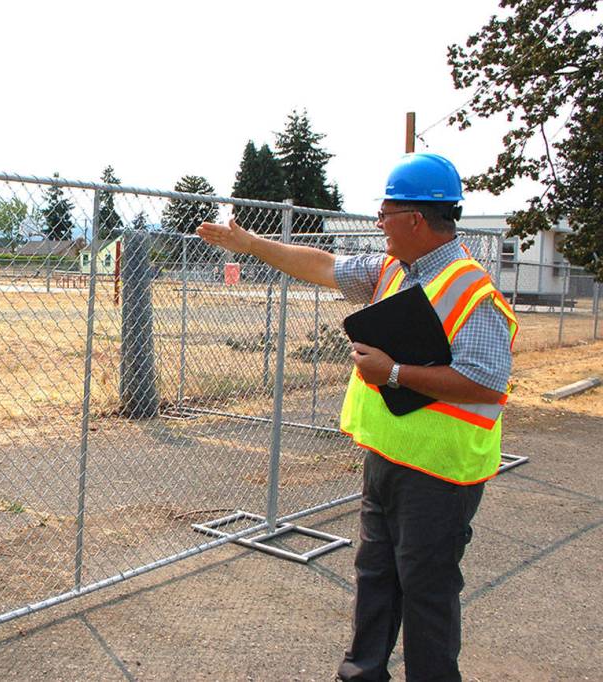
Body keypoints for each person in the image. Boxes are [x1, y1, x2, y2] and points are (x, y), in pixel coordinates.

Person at [196, 153, 518, 682]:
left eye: (385, 213)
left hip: (441, 473)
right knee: (375, 578)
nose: (378, 222)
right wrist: (251, 244)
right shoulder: (394, 269)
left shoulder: (469, 289)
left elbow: (486, 381)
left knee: (427, 594)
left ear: (416, 219)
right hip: (387, 458)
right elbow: (322, 266)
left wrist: (395, 373)